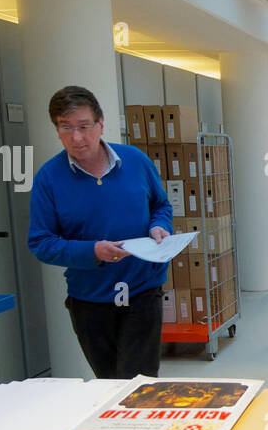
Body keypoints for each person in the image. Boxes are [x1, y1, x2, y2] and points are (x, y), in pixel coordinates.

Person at [28, 85, 173, 378]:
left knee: (138, 384)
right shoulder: (48, 177)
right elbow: (41, 242)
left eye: (84, 126)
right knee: (108, 383)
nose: (76, 137)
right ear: (56, 130)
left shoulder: (136, 161)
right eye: (66, 128)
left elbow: (161, 204)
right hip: (90, 300)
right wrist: (91, 251)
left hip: (142, 291)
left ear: (101, 123)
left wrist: (160, 225)